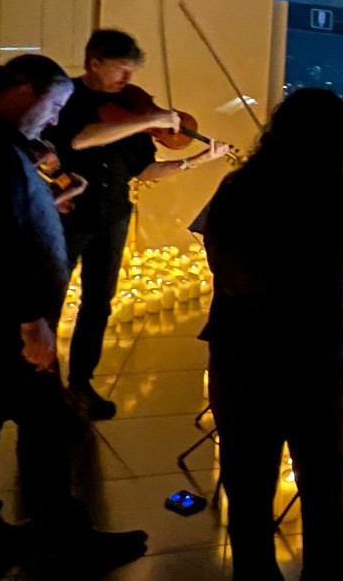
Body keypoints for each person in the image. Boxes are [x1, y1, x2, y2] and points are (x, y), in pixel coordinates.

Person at [0, 56, 149, 567]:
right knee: (46, 422)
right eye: (53, 106)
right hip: (1, 314)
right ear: (26, 90)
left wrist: (53, 199)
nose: (52, 121)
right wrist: (30, 320)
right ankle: (64, 538)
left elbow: (4, 217)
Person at [201, 88, 343, 581]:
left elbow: (219, 263)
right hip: (310, 356)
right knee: (321, 488)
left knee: (247, 489)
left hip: (241, 353)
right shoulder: (338, 192)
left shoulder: (238, 186)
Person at [50, 30, 233, 420]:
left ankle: (81, 384)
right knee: (49, 301)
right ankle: (43, 389)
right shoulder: (66, 98)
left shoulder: (132, 107)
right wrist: (146, 119)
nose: (126, 82)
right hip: (67, 215)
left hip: (112, 215)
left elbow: (144, 169)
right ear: (93, 62)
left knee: (98, 303)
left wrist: (196, 161)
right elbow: (79, 141)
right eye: (120, 72)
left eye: (131, 73)